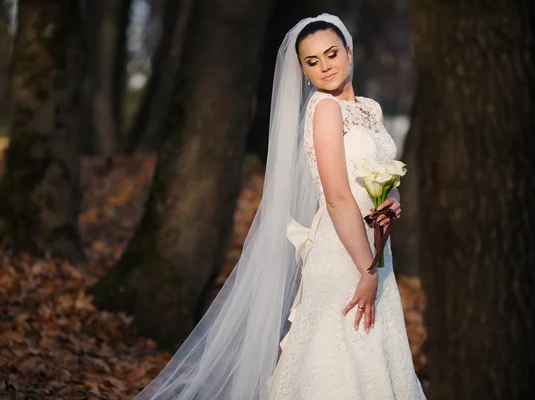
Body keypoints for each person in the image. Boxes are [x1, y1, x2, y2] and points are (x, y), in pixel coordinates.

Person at [133, 14, 426, 400]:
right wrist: (366, 270)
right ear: (303, 70)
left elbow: (385, 178)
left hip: (376, 249)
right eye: (312, 61)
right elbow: (337, 197)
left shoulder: (371, 109)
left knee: (375, 357)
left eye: (332, 53)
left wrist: (393, 201)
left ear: (349, 53)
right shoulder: (324, 110)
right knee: (340, 356)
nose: (325, 66)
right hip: (346, 254)